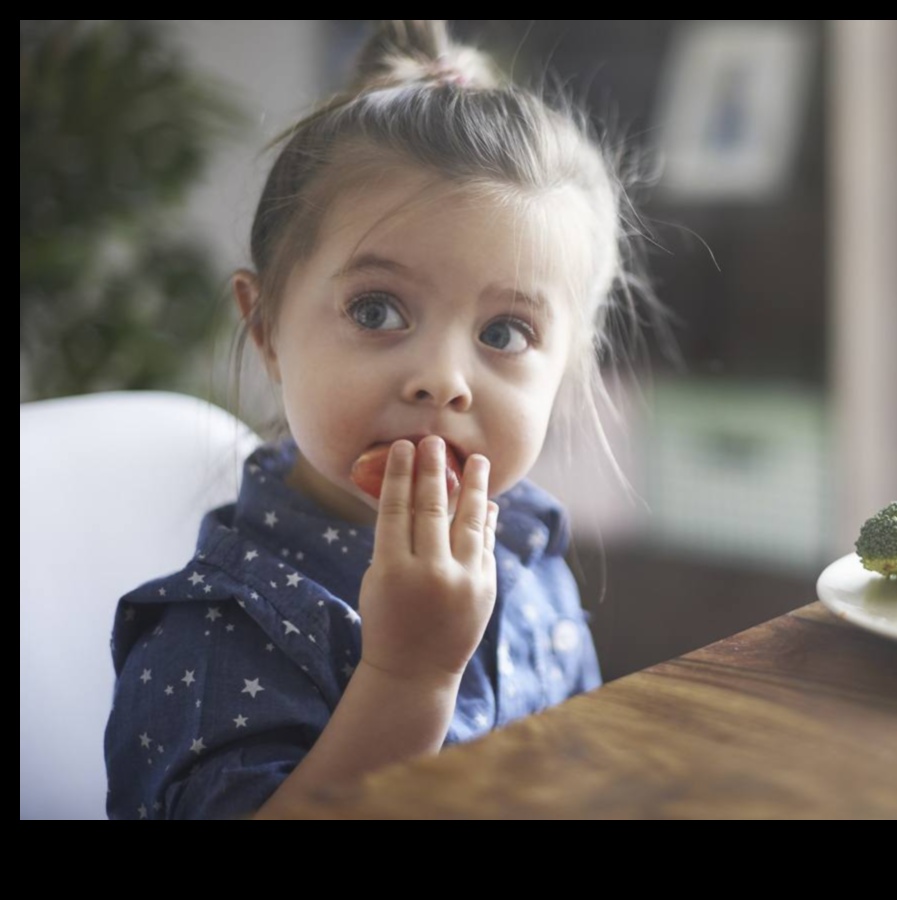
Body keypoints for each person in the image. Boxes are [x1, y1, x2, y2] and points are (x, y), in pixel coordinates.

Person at [104, 20, 662, 820]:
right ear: (265, 330)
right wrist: (409, 678)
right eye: (377, 309)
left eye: (504, 333)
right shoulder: (217, 633)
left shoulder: (530, 550)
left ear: (567, 373)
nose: (442, 380)